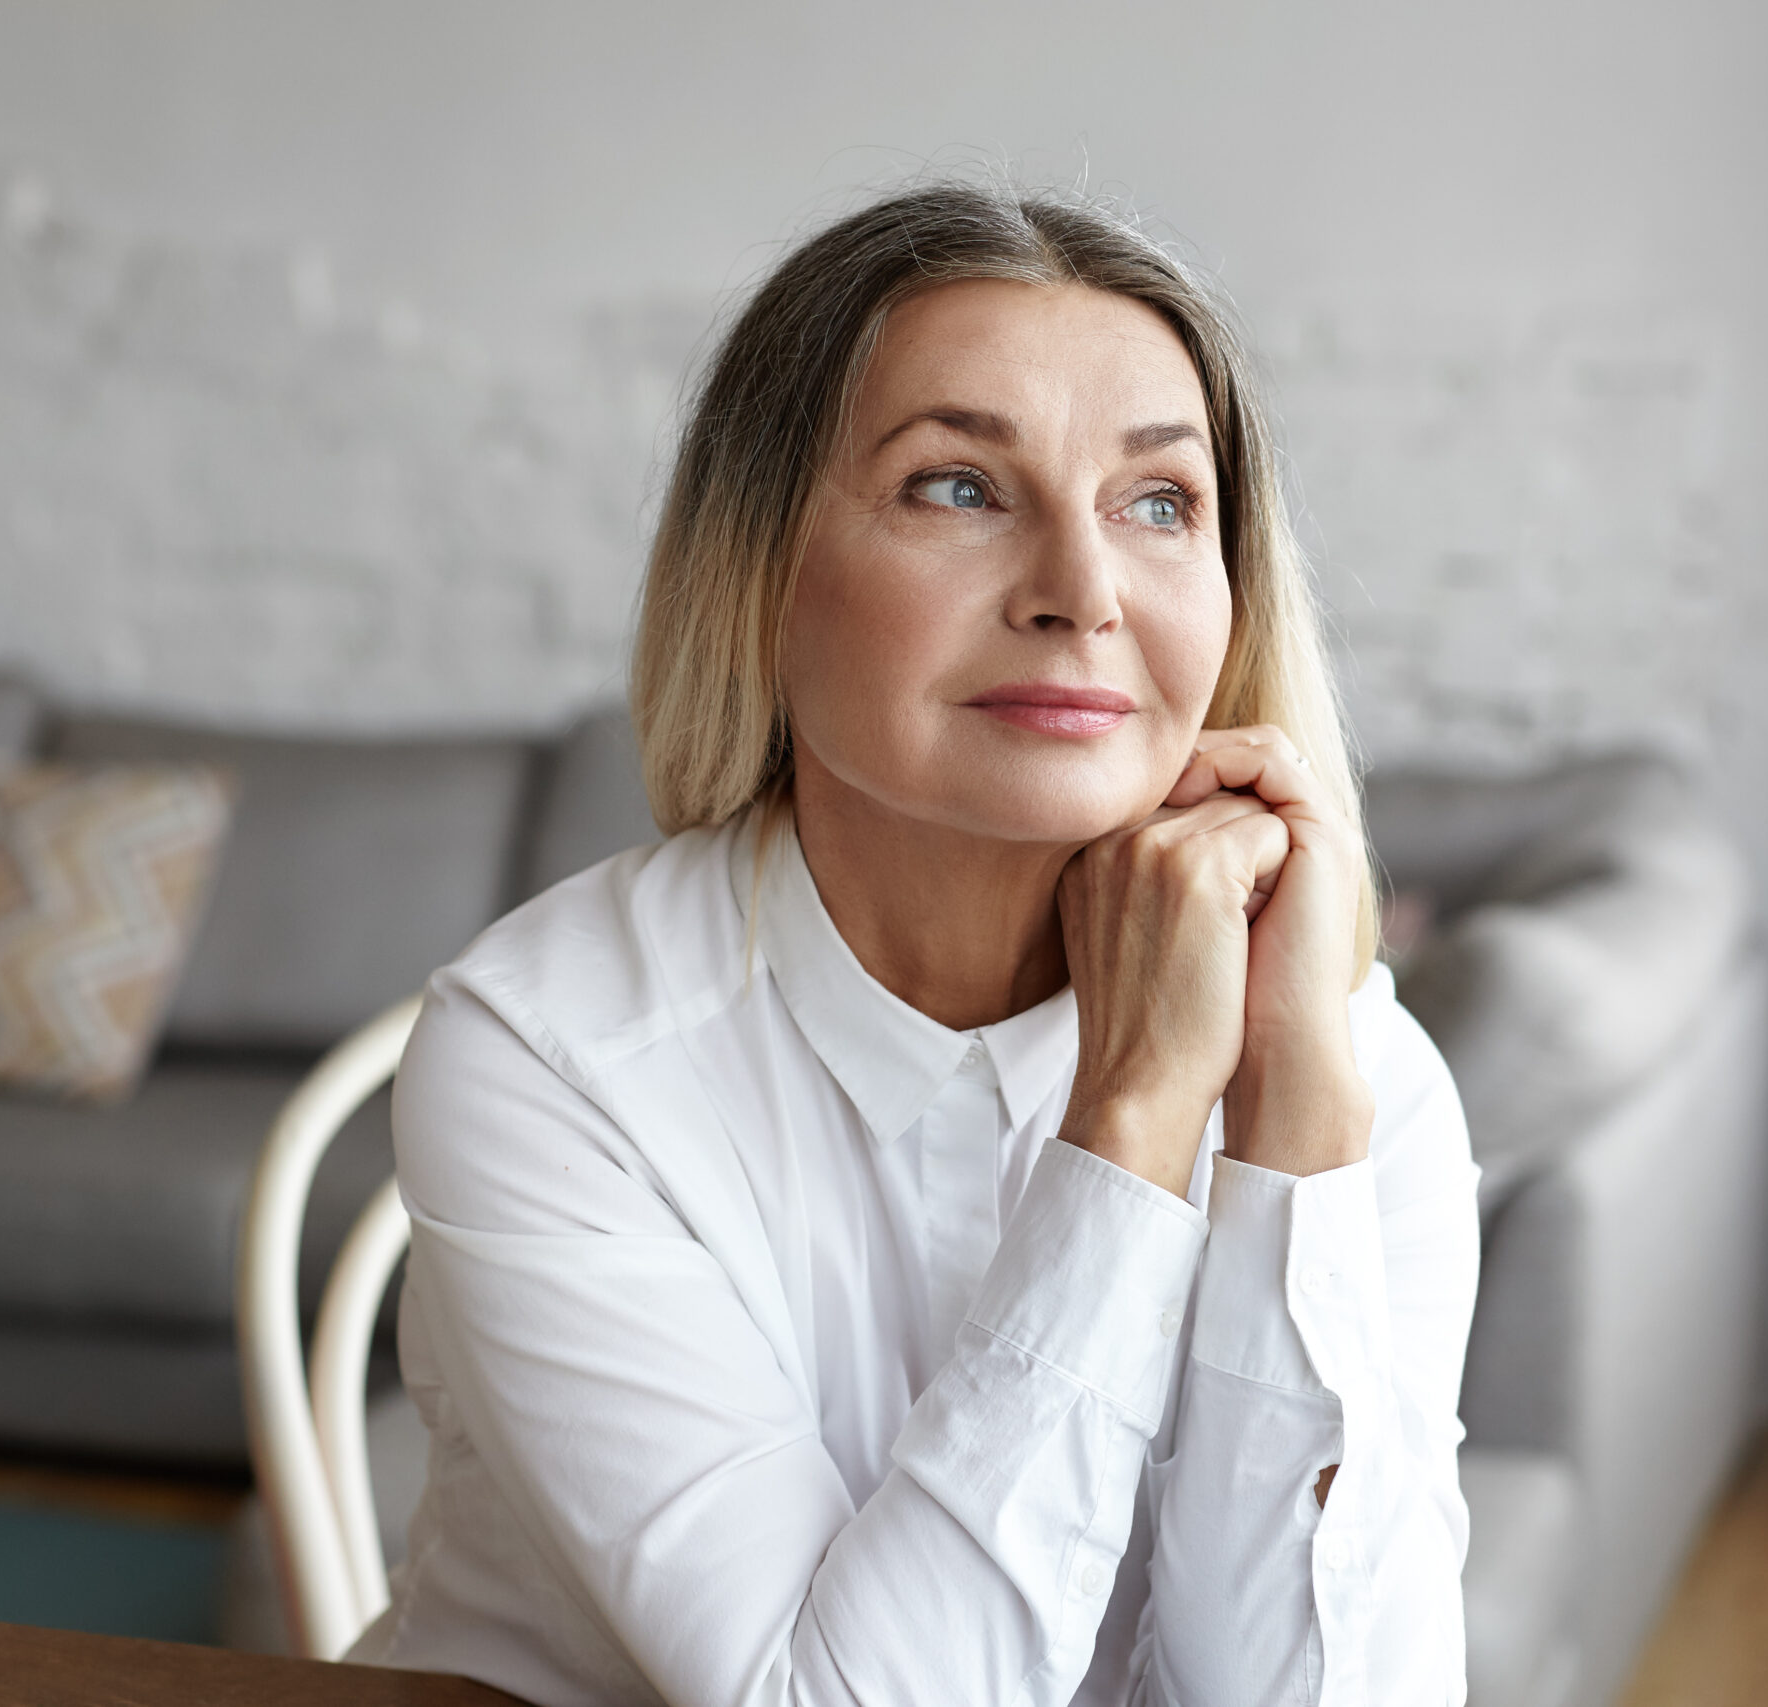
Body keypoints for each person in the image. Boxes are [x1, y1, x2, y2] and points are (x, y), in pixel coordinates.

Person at [350, 182, 1481, 1705]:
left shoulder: (1355, 1077)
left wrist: (1292, 1133)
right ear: (758, 571)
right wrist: (1137, 1116)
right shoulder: (551, 1059)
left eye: (1159, 504)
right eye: (958, 486)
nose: (1082, 595)